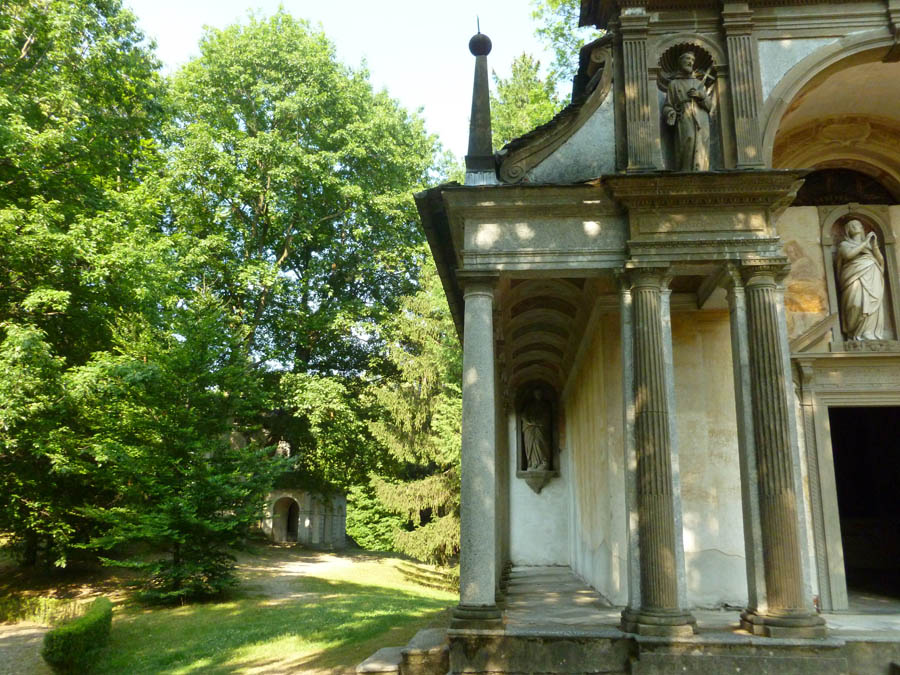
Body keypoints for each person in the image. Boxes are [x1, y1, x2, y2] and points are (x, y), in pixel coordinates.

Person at [662, 51, 711, 172]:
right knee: (687, 141)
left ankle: (701, 170)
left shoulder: (699, 84)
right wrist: (671, 113)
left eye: (692, 60)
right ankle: (685, 170)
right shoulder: (673, 84)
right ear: (680, 62)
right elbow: (668, 105)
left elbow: (709, 106)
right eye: (687, 59)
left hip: (701, 118)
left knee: (701, 143)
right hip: (684, 117)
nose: (690, 62)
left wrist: (700, 96)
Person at [837, 219, 885, 340]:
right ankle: (854, 332)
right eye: (852, 225)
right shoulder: (844, 244)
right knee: (856, 304)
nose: (856, 226)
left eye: (858, 225)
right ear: (848, 230)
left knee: (873, 302)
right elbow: (848, 255)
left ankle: (868, 332)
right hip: (853, 275)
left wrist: (874, 246)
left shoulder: (869, 245)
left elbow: (881, 261)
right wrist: (865, 242)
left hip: (872, 273)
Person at [521, 390, 551, 471]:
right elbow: (523, 415)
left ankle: (543, 462)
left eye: (540, 393)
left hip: (540, 427)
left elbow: (547, 416)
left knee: (539, 441)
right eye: (536, 393)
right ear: (534, 394)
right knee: (531, 443)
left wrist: (538, 422)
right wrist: (529, 422)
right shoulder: (529, 405)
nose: (538, 395)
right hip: (530, 428)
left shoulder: (545, 405)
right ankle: (532, 463)